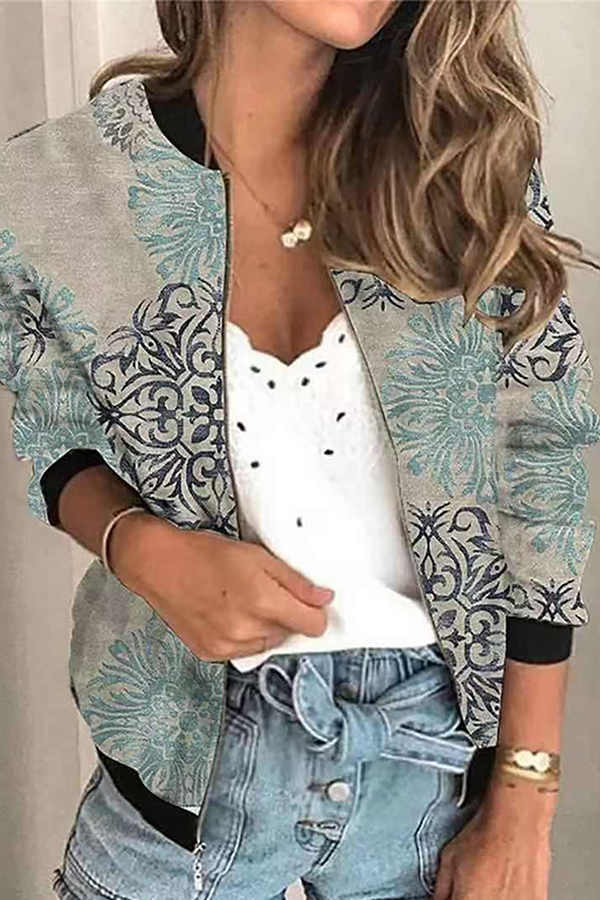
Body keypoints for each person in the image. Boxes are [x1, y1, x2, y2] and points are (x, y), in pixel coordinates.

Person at [1, 2, 599, 898]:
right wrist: (140, 547)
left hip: (427, 784)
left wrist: (526, 796)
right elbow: (53, 431)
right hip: (177, 778)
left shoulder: (462, 166)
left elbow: (543, 472)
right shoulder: (52, 183)